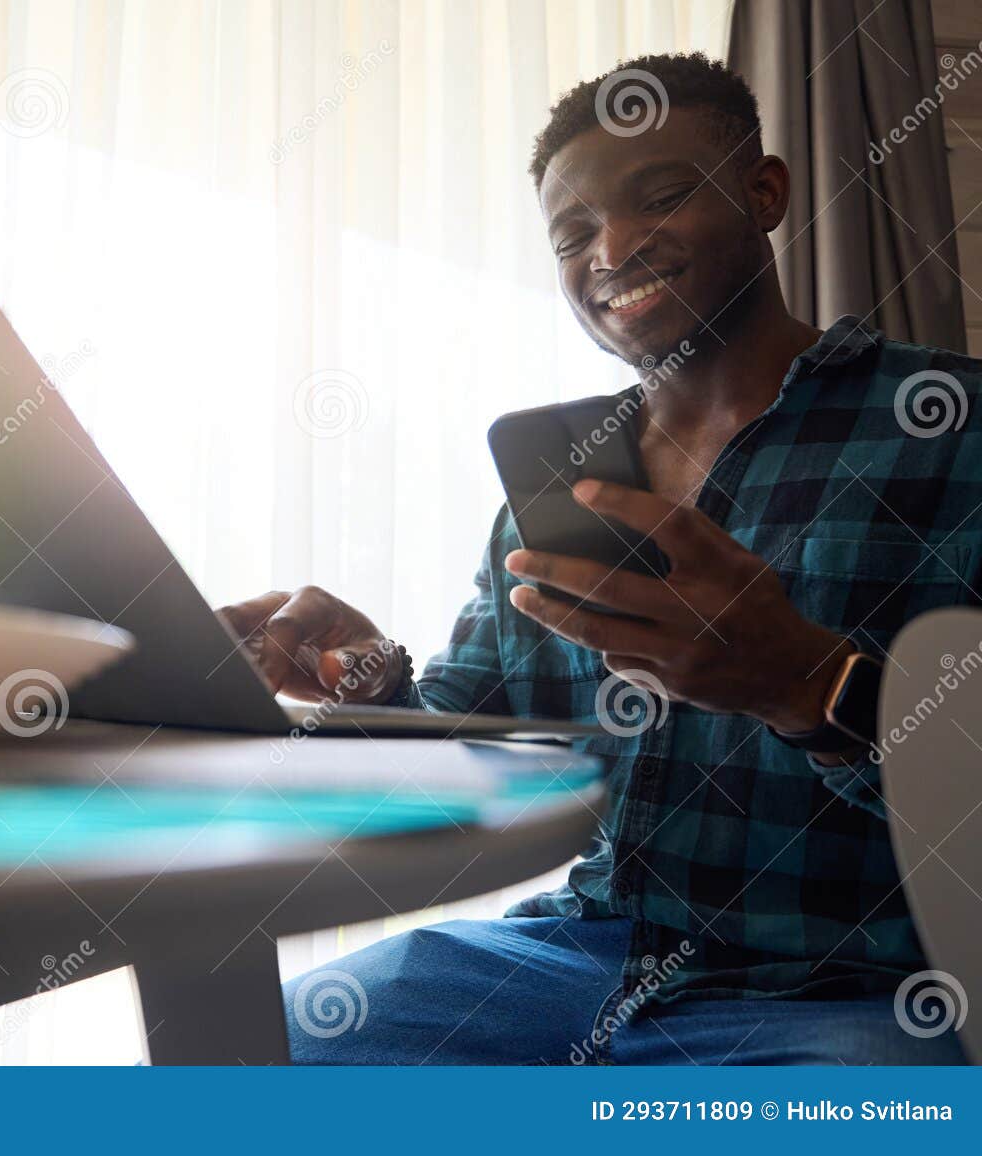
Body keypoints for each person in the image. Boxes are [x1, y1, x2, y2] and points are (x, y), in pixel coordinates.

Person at [218, 53, 981, 1065]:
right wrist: (361, 676)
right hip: (571, 956)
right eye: (571, 235)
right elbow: (469, 735)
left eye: (659, 198)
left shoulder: (951, 429)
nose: (611, 249)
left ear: (765, 193)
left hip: (851, 985)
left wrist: (806, 683)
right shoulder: (558, 482)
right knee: (245, 1052)